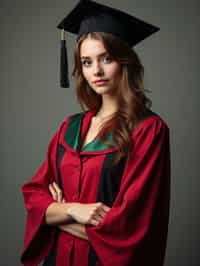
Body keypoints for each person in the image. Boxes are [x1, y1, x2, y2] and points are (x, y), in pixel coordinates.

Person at [20, 1, 171, 266]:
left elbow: (130, 228)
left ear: (124, 61)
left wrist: (57, 217)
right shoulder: (70, 127)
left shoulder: (148, 131)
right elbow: (34, 196)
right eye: (86, 62)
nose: (96, 71)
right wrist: (74, 210)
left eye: (106, 58)